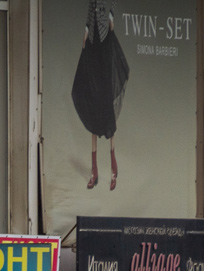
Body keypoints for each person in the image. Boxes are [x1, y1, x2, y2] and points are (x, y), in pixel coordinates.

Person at [71, 0, 130, 191]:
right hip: (93, 45)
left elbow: (112, 7)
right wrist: (86, 34)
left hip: (105, 44)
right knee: (92, 101)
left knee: (106, 104)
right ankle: (94, 171)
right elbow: (90, 13)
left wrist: (111, 22)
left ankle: (113, 167)